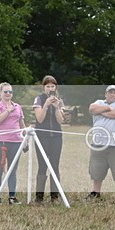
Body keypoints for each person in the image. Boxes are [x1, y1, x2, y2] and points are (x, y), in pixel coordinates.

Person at [87, 85, 115, 199]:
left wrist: (101, 111)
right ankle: (95, 192)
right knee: (96, 169)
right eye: (110, 92)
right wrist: (108, 109)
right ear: (105, 94)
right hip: (99, 143)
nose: (112, 94)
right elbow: (92, 109)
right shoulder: (99, 102)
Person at [32, 75, 65, 203]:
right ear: (43, 87)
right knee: (42, 165)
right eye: (48, 86)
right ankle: (39, 197)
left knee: (55, 165)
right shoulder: (39, 99)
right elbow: (39, 119)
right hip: (41, 136)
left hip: (56, 137)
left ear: (55, 87)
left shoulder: (59, 100)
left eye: (52, 86)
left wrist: (57, 107)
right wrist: (46, 105)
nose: (50, 88)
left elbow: (61, 120)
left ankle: (54, 196)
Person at [0, 82, 25, 204]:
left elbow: (21, 123)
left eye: (10, 92)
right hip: (0, 142)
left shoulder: (18, 106)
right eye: (6, 92)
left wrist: (25, 137)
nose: (8, 94)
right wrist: (8, 110)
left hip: (16, 141)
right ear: (0, 93)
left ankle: (12, 197)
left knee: (12, 170)